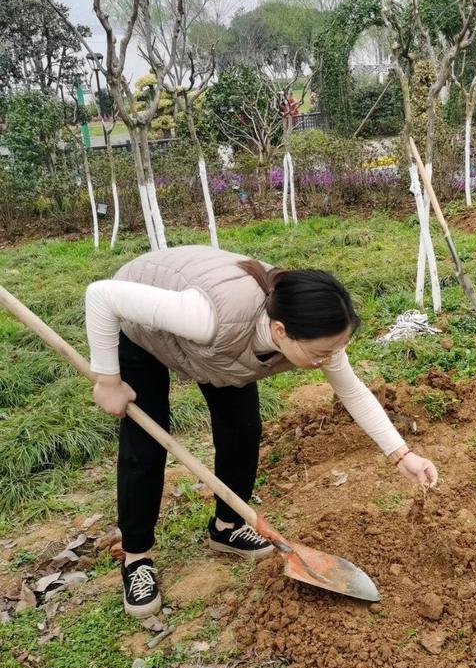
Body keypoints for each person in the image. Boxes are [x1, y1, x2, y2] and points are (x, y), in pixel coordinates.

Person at [86, 246, 438, 618]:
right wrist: (108, 380)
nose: (328, 358)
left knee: (242, 428)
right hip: (140, 322)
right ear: (280, 330)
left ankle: (227, 527)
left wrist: (402, 454)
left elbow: (351, 390)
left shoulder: (317, 336)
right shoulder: (207, 317)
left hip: (220, 352)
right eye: (321, 353)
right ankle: (136, 557)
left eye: (336, 349)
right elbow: (102, 295)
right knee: (147, 442)